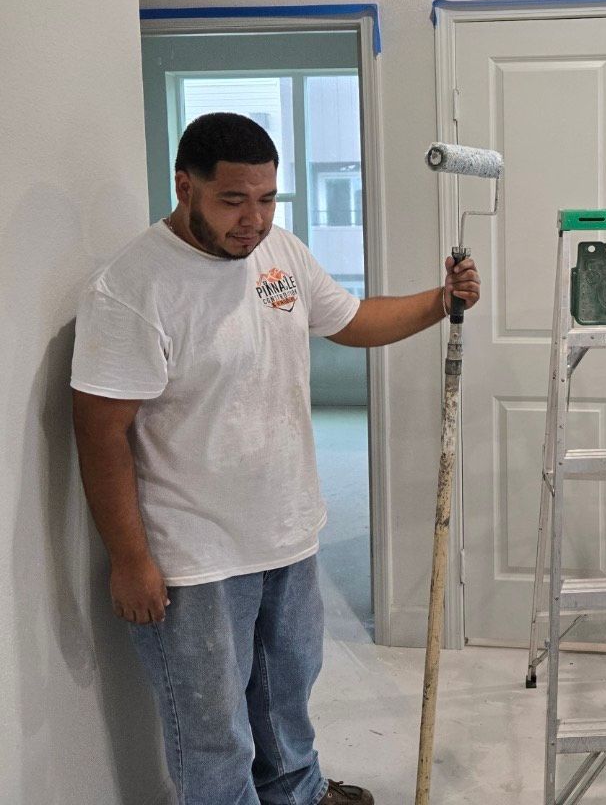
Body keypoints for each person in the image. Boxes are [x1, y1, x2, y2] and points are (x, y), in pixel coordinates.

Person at [71, 113, 480, 805]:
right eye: (233, 200)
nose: (253, 220)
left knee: (288, 694)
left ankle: (297, 791)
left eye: (266, 199)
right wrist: (131, 559)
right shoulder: (133, 287)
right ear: (184, 186)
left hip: (287, 532)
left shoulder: (278, 254)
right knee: (211, 729)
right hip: (195, 555)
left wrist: (442, 302)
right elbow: (99, 430)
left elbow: (351, 321)